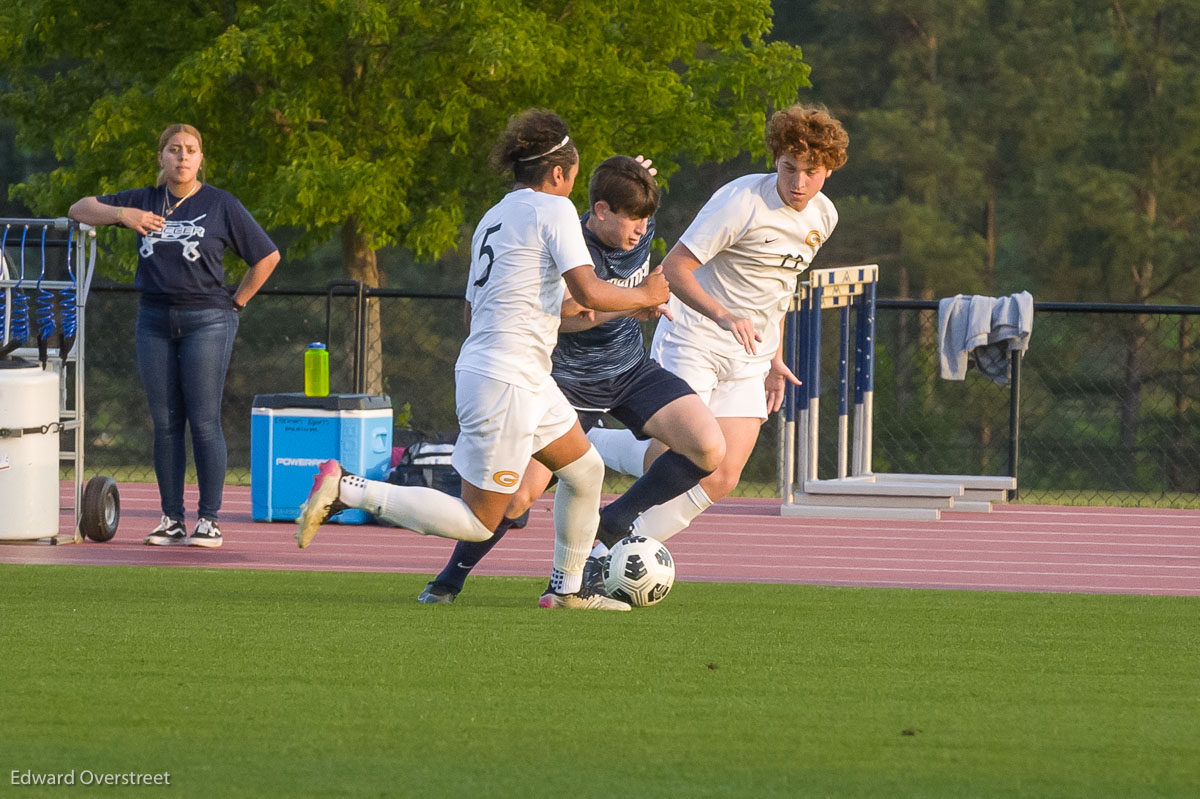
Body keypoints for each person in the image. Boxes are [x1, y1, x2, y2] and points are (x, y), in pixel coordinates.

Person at [294, 110, 670, 611]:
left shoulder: (493, 216)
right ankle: (349, 488)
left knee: (585, 471)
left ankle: (567, 590)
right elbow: (589, 289)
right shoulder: (554, 210)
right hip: (507, 377)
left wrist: (581, 316)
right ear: (558, 174)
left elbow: (477, 313)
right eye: (574, 173)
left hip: (516, 373)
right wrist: (644, 292)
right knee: (479, 520)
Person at [417, 155, 726, 604]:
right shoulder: (566, 241)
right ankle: (448, 581)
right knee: (519, 498)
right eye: (632, 218)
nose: (641, 230)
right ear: (600, 211)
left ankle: (614, 522)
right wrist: (634, 302)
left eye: (647, 219)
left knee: (709, 446)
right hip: (567, 385)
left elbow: (632, 205)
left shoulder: (638, 225)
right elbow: (564, 317)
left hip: (630, 370)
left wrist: (635, 179)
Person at [588, 104, 848, 544]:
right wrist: (724, 316)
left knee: (722, 474)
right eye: (789, 168)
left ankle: (616, 553)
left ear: (829, 170)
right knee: (668, 459)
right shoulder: (742, 200)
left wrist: (775, 358)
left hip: (750, 355)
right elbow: (674, 268)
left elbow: (779, 289)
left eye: (811, 170)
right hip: (695, 337)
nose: (799, 182)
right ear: (776, 160)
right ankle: (588, 446)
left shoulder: (825, 217)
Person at [68, 123, 279, 549]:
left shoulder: (221, 204)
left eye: (191, 150)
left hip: (207, 319)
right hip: (154, 320)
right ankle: (171, 518)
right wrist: (121, 214)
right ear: (161, 157)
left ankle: (209, 520)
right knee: (165, 423)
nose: (183, 157)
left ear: (201, 159)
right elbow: (78, 208)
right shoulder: (143, 200)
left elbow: (267, 256)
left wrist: (236, 304)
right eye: (174, 149)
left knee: (202, 420)